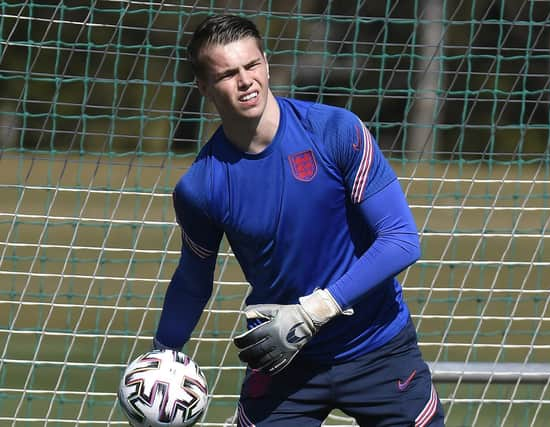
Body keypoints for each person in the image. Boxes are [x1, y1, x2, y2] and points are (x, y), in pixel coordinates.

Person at [153, 14, 445, 427]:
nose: (246, 81)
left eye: (252, 66)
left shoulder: (336, 131)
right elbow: (192, 279)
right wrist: (162, 355)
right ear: (203, 87)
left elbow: (400, 240)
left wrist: (313, 311)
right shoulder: (201, 186)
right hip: (283, 361)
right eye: (228, 73)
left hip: (377, 348)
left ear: (267, 65)